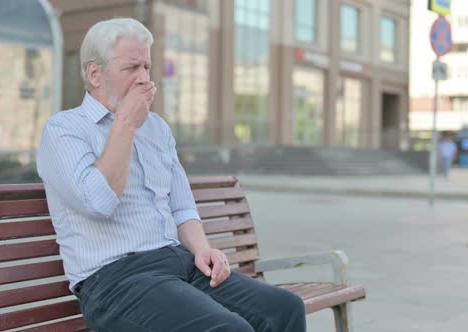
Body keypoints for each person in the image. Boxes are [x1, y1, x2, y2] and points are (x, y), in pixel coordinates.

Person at [37, 18, 306, 332]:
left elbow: (181, 205)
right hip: (115, 281)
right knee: (229, 329)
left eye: (147, 68)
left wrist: (203, 248)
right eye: (131, 68)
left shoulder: (157, 128)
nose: (144, 79)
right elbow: (98, 202)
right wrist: (125, 124)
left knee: (284, 309)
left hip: (178, 264)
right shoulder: (64, 129)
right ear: (95, 74)